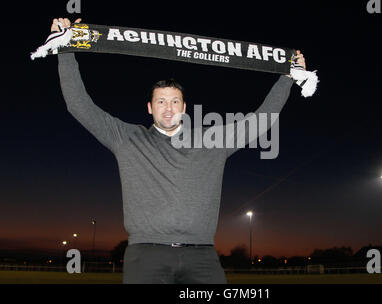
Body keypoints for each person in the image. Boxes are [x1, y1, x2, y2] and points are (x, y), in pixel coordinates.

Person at [53, 17, 306, 284]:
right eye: (161, 101)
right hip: (146, 256)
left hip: (202, 257)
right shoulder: (127, 138)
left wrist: (287, 77)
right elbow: (79, 106)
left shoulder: (212, 141)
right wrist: (66, 49)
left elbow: (261, 120)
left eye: (175, 101)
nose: (169, 108)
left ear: (185, 108)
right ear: (149, 108)